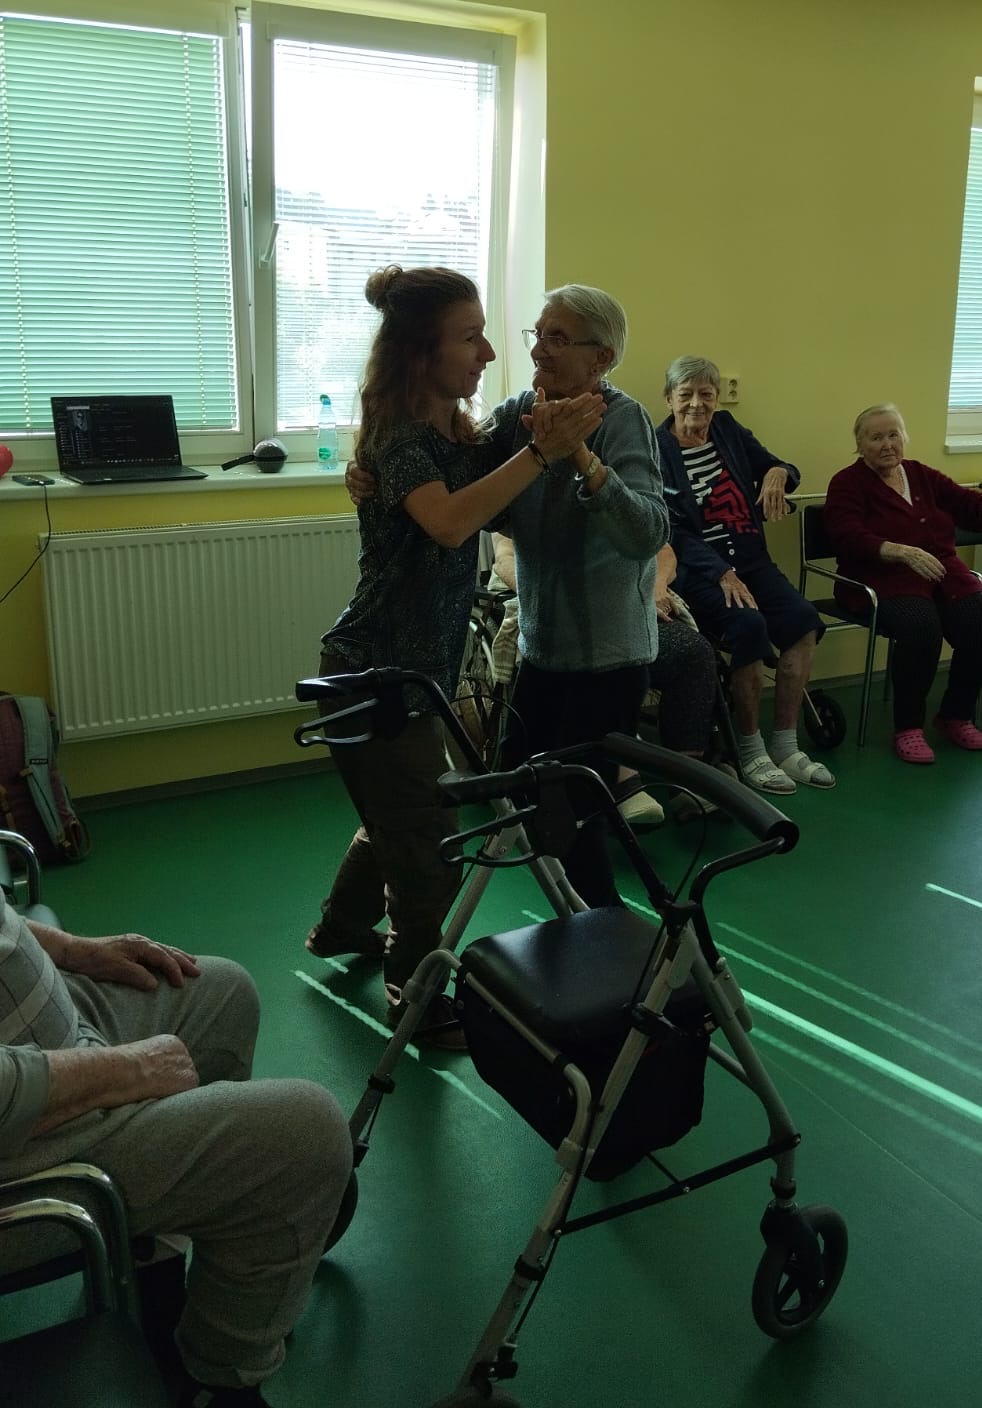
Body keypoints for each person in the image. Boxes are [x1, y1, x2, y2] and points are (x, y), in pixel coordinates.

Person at [304, 266, 604, 1044]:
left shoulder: (449, 435)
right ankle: (415, 992)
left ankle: (340, 929)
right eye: (470, 337)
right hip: (374, 674)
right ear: (419, 351)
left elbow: (489, 484)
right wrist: (543, 451)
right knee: (426, 843)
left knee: (395, 815)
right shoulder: (403, 440)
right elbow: (448, 522)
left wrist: (548, 430)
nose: (489, 353)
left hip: (406, 676)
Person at [348, 283, 668, 908]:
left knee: (575, 817)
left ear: (601, 358)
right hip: (542, 651)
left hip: (610, 660)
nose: (539, 350)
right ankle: (582, 933)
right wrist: (370, 470)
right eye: (538, 335)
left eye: (558, 339)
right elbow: (458, 483)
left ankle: (608, 936)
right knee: (520, 798)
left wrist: (581, 458)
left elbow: (646, 533)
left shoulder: (622, 419)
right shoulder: (520, 411)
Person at [0, 886, 351, 1407]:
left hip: (39, 1039)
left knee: (224, 992)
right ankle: (216, 1384)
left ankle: (151, 1279)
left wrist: (74, 950)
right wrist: (129, 1070)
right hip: (22, 1136)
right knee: (303, 1138)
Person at [655, 356, 835, 796]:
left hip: (753, 560)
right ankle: (752, 750)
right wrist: (721, 572)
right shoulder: (656, 449)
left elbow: (781, 467)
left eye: (706, 394)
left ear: (717, 398)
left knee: (803, 622)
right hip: (701, 572)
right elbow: (670, 530)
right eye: (685, 395)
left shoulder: (728, 429)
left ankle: (786, 745)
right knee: (748, 626)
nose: (696, 404)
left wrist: (777, 473)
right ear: (669, 400)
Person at [486, 535, 724, 827]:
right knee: (600, 653)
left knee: (693, 653)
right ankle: (622, 778)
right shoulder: (531, 507)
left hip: (630, 603)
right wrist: (556, 596)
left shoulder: (618, 504)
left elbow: (663, 551)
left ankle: (686, 772)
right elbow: (505, 558)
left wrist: (655, 587)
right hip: (558, 609)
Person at [824, 403, 982, 764]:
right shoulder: (846, 483)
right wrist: (898, 551)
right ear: (860, 445)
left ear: (904, 437)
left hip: (942, 575)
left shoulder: (920, 474)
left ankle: (956, 715)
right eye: (876, 437)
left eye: (894, 434)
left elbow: (965, 500)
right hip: (880, 580)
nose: (887, 444)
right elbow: (845, 536)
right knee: (921, 627)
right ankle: (908, 727)